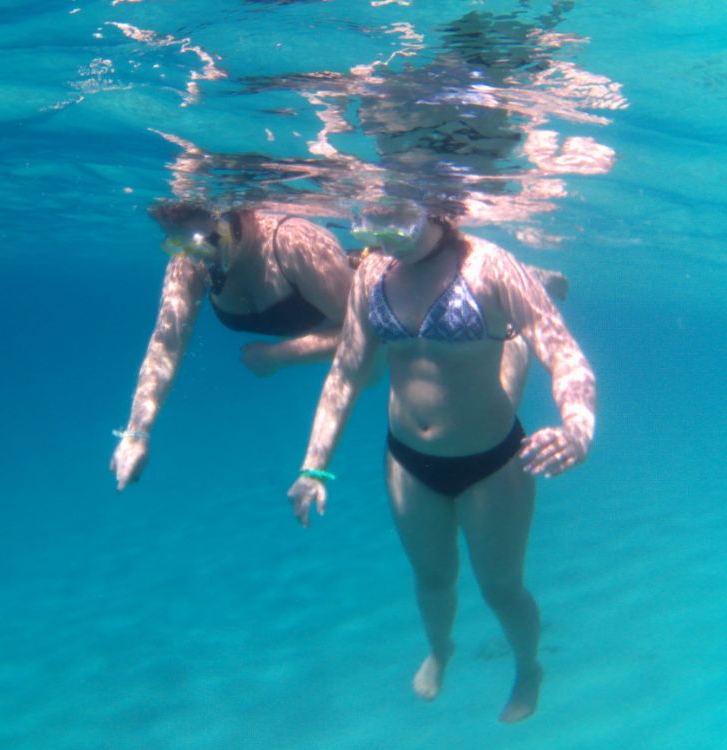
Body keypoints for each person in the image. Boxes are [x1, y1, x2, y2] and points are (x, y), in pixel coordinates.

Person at [286, 200, 595, 723]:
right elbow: (346, 372)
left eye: (397, 223)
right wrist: (313, 466)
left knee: (501, 588)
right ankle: (440, 650)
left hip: (491, 463)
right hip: (409, 462)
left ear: (437, 212)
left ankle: (528, 668)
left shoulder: (489, 266)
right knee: (432, 579)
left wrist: (578, 428)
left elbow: (565, 353)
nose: (383, 238)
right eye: (372, 223)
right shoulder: (373, 273)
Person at [110, 201, 354, 492]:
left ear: (237, 218)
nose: (196, 257)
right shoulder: (189, 259)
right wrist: (137, 432)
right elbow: (166, 342)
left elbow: (366, 335)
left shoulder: (293, 243)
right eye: (177, 243)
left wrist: (280, 356)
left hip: (356, 368)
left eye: (203, 244)